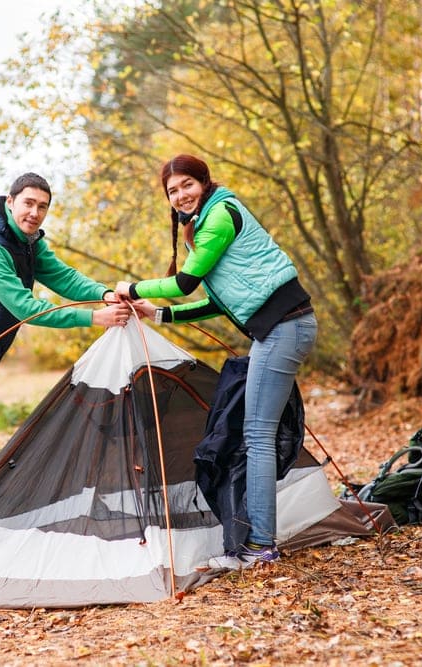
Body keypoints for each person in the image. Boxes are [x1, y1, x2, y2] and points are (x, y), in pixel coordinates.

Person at [115, 154, 317, 566]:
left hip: (286, 325)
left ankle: (260, 545)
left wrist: (131, 287)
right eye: (172, 191)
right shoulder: (207, 220)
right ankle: (259, 540)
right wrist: (159, 313)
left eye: (187, 184)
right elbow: (215, 301)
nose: (181, 195)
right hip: (278, 328)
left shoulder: (221, 213)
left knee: (257, 436)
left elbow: (185, 283)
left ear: (203, 182)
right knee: (255, 433)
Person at [0, 172, 131, 539]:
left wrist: (104, 294)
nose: (34, 213)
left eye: (42, 207)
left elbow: (63, 277)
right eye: (28, 203)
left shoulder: (30, 244)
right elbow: (25, 307)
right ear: (10, 202)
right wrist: (94, 317)